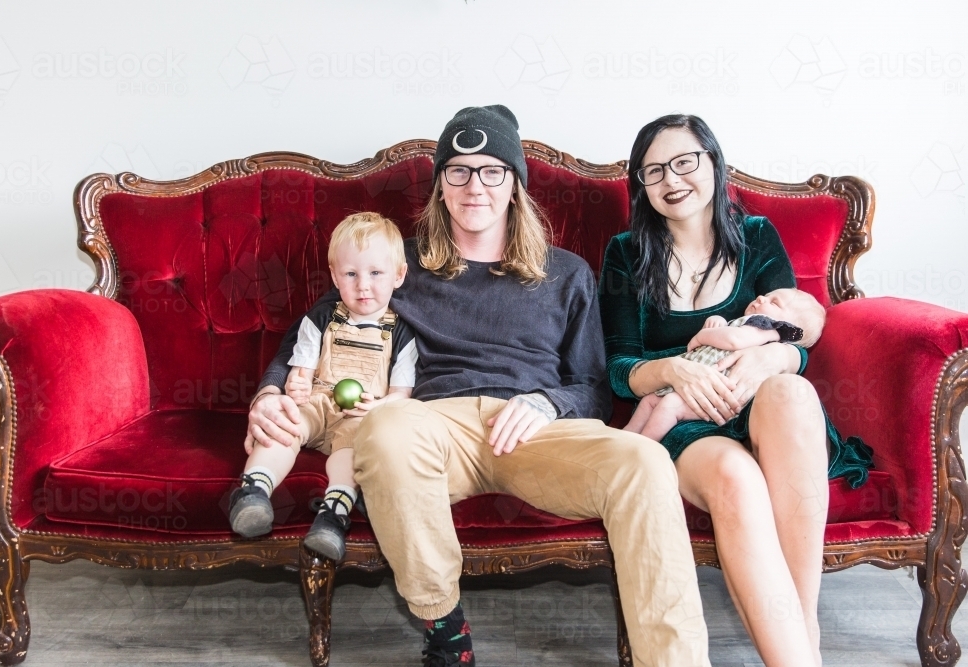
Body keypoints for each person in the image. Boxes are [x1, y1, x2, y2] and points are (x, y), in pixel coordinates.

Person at [246, 105, 712, 667]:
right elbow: (319, 324)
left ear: (515, 184)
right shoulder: (400, 264)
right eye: (459, 171)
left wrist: (546, 403)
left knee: (644, 462)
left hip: (538, 433)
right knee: (387, 424)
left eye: (493, 171)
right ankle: (445, 630)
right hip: (434, 431)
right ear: (441, 184)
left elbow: (593, 386)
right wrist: (271, 393)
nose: (475, 186)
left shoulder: (565, 272)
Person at [599, 114, 874, 667]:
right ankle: (800, 657)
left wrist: (772, 357)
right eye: (653, 171)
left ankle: (804, 633)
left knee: (792, 395)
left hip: (762, 404)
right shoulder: (626, 253)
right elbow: (618, 364)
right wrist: (676, 370)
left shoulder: (757, 236)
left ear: (713, 163)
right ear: (641, 186)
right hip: (689, 417)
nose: (671, 179)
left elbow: (795, 327)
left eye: (684, 162)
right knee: (734, 476)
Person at [229, 212, 417, 563]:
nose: (363, 285)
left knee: (354, 451)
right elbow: (300, 368)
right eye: (351, 274)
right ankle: (253, 491)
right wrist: (296, 386)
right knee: (285, 428)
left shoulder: (403, 332)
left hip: (363, 413)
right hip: (318, 399)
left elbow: (401, 394)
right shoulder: (320, 318)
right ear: (334, 277)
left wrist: (379, 408)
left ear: (399, 275)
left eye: (376, 273)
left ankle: (334, 514)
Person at [626, 287, 824, 441]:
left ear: (788, 326)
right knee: (649, 400)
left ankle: (644, 445)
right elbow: (730, 335)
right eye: (766, 295)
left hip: (716, 395)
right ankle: (622, 439)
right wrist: (718, 321)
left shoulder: (767, 328)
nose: (761, 297)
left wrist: (704, 336)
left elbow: (733, 341)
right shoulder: (749, 325)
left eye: (774, 302)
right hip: (693, 383)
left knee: (669, 405)